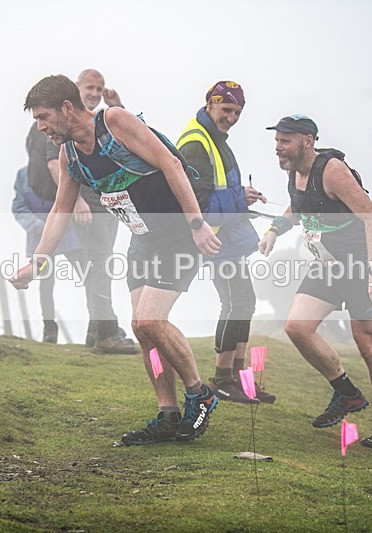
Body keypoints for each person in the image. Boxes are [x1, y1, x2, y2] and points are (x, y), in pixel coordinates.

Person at [12, 75, 221, 445]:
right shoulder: (70, 154)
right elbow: (60, 211)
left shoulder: (115, 123)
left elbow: (171, 163)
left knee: (149, 319)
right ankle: (168, 414)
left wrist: (197, 224)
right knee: (142, 331)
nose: (41, 127)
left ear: (66, 107)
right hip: (142, 238)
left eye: (43, 117)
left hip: (177, 233)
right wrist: (37, 262)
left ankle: (199, 393)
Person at [258, 115, 372, 450]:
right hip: (326, 265)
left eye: (285, 141)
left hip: (360, 266)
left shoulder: (333, 170)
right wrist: (275, 230)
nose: (278, 148)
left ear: (308, 141)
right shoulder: (295, 171)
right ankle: (347, 393)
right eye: (277, 141)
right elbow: (299, 205)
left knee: (368, 346)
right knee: (296, 326)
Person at [175, 81, 275, 404]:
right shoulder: (195, 143)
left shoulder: (217, 139)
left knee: (246, 302)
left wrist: (241, 197)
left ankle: (242, 379)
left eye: (237, 112)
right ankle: (221, 379)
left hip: (229, 236)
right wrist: (238, 197)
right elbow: (196, 202)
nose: (231, 117)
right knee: (234, 303)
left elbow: (218, 191)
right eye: (226, 109)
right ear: (210, 104)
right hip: (214, 240)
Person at [71, 69, 136, 353]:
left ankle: (96, 330)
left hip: (109, 206)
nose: (95, 93)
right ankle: (106, 333)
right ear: (77, 87)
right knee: (99, 267)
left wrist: (117, 107)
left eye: (100, 88)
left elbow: (131, 139)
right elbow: (53, 165)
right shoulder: (68, 121)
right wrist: (76, 202)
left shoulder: (100, 120)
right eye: (90, 88)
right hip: (87, 209)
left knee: (99, 267)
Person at [11, 164, 88, 343]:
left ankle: (97, 324)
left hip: (68, 232)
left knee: (88, 275)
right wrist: (41, 227)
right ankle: (49, 328)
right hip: (39, 236)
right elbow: (18, 207)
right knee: (46, 284)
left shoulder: (60, 169)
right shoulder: (23, 175)